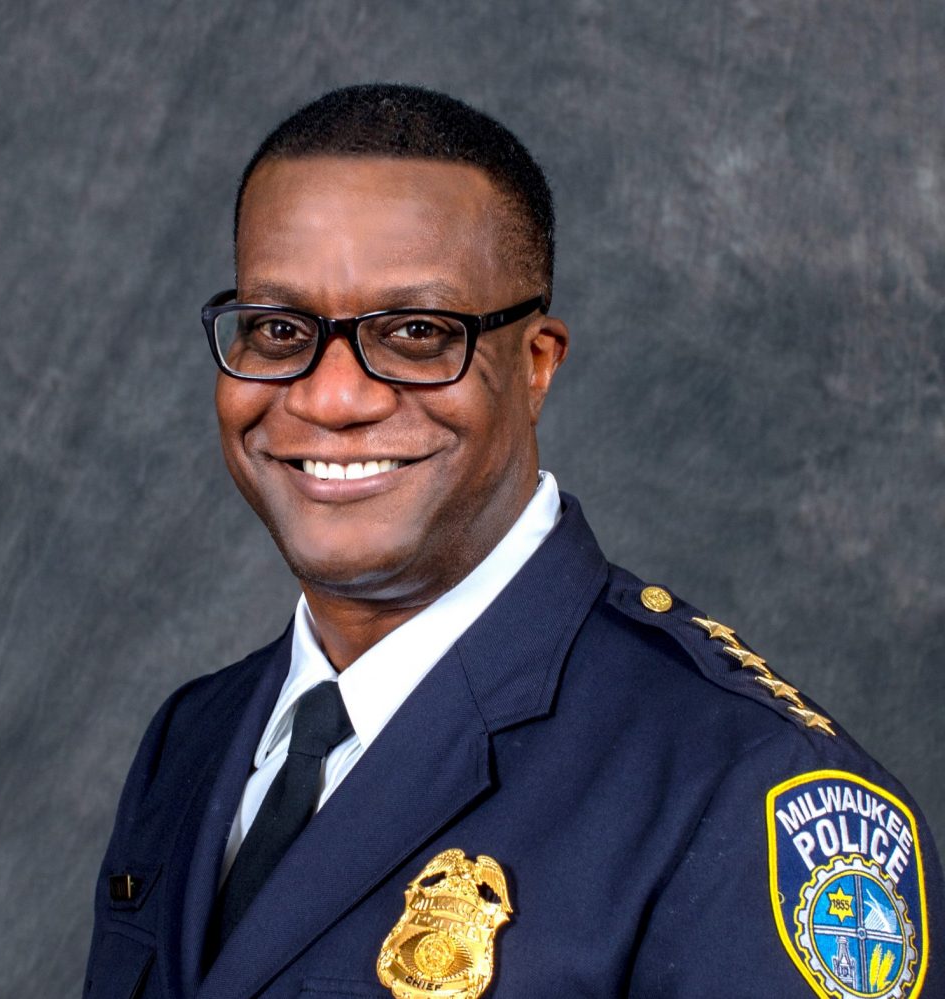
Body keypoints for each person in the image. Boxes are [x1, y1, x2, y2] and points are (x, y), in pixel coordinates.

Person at [85, 84, 943, 999]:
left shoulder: (742, 786)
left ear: (535, 365)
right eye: (279, 329)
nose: (331, 398)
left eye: (417, 333)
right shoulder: (195, 735)